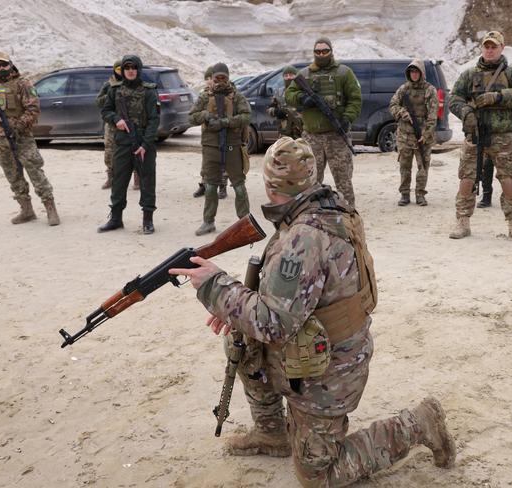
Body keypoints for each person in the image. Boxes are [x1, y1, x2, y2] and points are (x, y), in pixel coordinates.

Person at [169, 136, 456, 487]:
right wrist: (234, 308)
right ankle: (273, 433)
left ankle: (419, 423)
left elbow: (274, 324)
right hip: (321, 345)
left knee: (320, 476)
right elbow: (298, 294)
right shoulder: (328, 208)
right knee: (242, 344)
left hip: (328, 369)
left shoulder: (303, 238)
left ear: (270, 185)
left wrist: (215, 286)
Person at [448, 31, 512, 240]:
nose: (490, 50)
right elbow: (454, 99)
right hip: (475, 135)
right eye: (487, 46)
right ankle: (463, 222)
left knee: (509, 180)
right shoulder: (469, 75)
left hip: (503, 137)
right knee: (467, 179)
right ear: (482, 48)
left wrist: (498, 96)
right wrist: (466, 112)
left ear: (502, 48)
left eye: (494, 46)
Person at [0, 51, 60, 226]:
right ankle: (26, 210)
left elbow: (33, 109)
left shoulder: (23, 84)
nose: (1, 68)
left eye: (4, 64)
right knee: (12, 175)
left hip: (22, 137)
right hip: (0, 138)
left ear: (10, 64)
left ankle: (50, 208)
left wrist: (18, 126)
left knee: (35, 170)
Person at [286, 37, 362, 207]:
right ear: (314, 53)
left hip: (336, 137)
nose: (321, 54)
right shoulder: (304, 74)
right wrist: (302, 98)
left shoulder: (344, 73)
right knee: (310, 181)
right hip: (312, 137)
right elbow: (289, 95)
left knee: (343, 181)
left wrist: (347, 118)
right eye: (317, 51)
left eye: (324, 51)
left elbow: (355, 99)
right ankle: (310, 215)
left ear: (331, 51)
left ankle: (348, 214)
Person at [98, 54, 159, 234]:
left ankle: (148, 220)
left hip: (143, 143)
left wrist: (145, 145)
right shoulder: (115, 90)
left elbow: (154, 121)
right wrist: (116, 119)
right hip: (122, 142)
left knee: (147, 181)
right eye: (127, 68)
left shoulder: (149, 91)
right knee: (119, 181)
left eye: (133, 68)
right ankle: (116, 218)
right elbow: (105, 110)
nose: (130, 71)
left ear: (138, 69)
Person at [189, 62, 251, 236]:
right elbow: (191, 117)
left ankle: (245, 223)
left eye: (224, 77)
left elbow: (247, 116)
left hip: (232, 145)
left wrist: (226, 122)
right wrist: (206, 115)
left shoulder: (236, 96)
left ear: (228, 77)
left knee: (238, 186)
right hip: (211, 146)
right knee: (210, 187)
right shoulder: (204, 97)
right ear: (213, 78)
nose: (220, 81)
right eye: (217, 77)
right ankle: (208, 222)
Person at [389, 59, 438, 206]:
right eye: (412, 71)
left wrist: (426, 134)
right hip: (405, 134)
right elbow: (392, 105)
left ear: (422, 73)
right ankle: (405, 194)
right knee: (405, 166)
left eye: (416, 71)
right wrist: (401, 112)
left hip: (422, 135)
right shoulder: (403, 89)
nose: (414, 74)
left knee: (423, 166)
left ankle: (420, 194)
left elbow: (433, 115)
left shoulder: (430, 90)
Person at [193, 66, 229, 200]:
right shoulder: (204, 95)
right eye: (206, 79)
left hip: (224, 131)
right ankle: (204, 184)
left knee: (223, 160)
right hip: (208, 134)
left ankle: (223, 186)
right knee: (206, 161)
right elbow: (194, 115)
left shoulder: (224, 93)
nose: (209, 81)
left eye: (210, 78)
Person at [96, 60, 124, 190]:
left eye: (122, 69)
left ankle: (137, 177)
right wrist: (111, 95)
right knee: (109, 151)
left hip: (128, 123)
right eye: (118, 69)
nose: (121, 72)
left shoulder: (132, 84)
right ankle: (111, 177)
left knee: (133, 150)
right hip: (112, 124)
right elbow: (98, 102)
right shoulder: (108, 85)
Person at [267, 65, 303, 139]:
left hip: (301, 132)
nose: (288, 78)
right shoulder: (279, 92)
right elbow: (269, 109)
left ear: (296, 76)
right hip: (285, 133)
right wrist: (276, 111)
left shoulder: (303, 91)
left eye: (291, 75)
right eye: (286, 76)